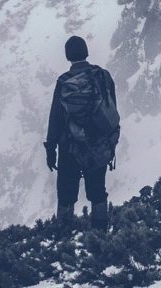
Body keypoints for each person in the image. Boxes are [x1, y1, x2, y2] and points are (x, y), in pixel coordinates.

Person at [45, 35, 120, 228]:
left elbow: (55, 118)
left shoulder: (63, 81)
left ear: (68, 56)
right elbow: (112, 108)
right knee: (97, 192)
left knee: (66, 194)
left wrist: (50, 148)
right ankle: (101, 237)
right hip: (98, 144)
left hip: (69, 146)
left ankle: (63, 240)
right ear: (86, 52)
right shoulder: (103, 75)